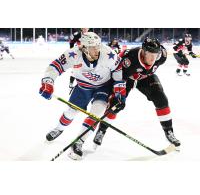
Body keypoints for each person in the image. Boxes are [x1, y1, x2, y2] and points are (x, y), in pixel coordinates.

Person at [39, 32, 126, 160]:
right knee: (70, 112)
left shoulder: (108, 54)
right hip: (83, 87)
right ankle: (59, 128)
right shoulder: (73, 54)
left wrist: (119, 92)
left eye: (98, 46)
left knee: (96, 113)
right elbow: (55, 66)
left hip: (103, 86)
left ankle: (79, 141)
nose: (97, 50)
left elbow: (118, 69)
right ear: (84, 47)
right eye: (92, 47)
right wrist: (48, 82)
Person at [93, 37, 181, 149]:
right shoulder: (129, 59)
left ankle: (169, 132)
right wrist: (119, 95)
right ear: (143, 52)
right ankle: (101, 130)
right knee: (116, 105)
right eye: (150, 54)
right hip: (126, 78)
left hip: (146, 77)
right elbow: (118, 76)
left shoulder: (162, 56)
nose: (153, 58)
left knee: (161, 99)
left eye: (156, 54)